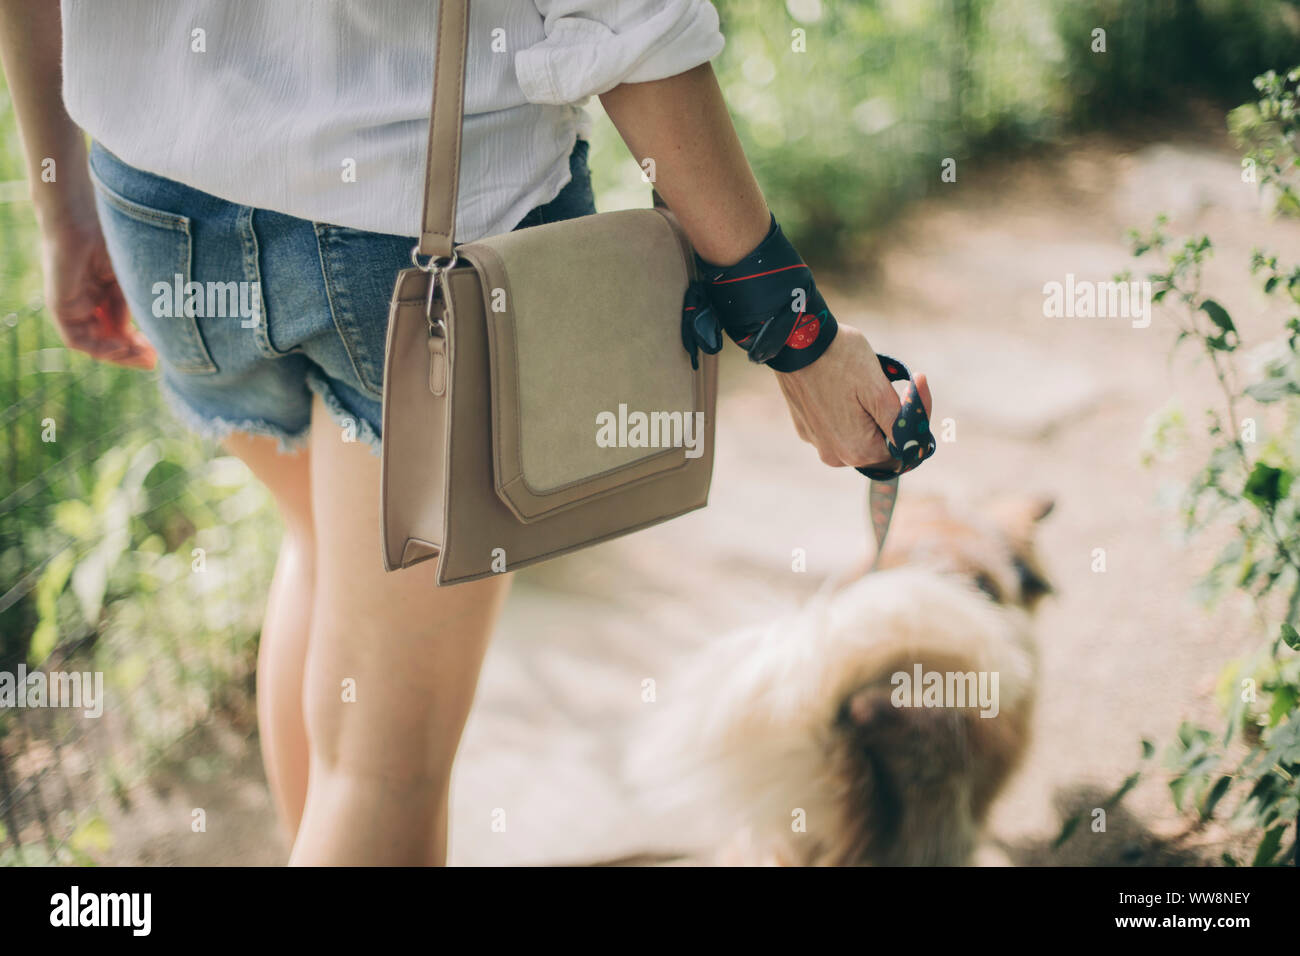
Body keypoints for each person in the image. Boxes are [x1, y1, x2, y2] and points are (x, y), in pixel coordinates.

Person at [0, 0, 932, 865]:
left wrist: (59, 202)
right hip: (424, 230)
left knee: (326, 555)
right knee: (383, 771)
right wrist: (794, 332)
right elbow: (630, 23)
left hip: (154, 204)